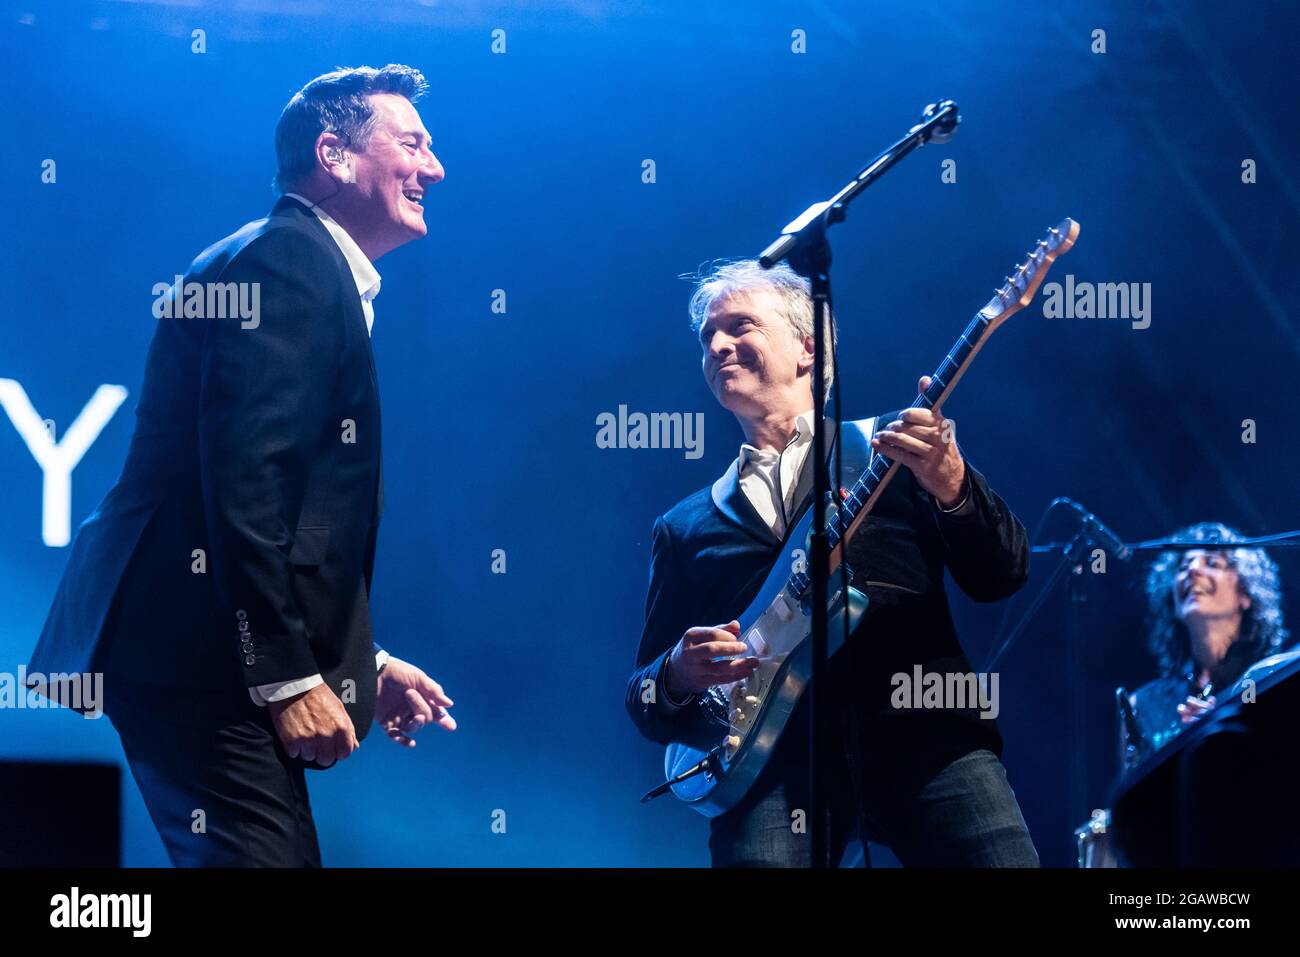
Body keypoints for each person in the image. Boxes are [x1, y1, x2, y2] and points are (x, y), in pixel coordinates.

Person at [28, 64, 455, 866]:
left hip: (197, 647)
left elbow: (295, 513)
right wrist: (289, 676)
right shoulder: (287, 263)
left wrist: (365, 661)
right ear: (333, 153)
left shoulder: (292, 260)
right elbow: (245, 482)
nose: (434, 167)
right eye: (412, 144)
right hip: (194, 651)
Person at [625, 260, 1039, 867]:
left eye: (740, 326)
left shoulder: (895, 450)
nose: (717, 344)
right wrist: (679, 674)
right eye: (707, 337)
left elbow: (1003, 574)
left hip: (925, 734)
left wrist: (953, 485)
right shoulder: (685, 524)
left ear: (806, 348)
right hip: (767, 766)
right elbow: (642, 694)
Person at [1119, 521, 1291, 767]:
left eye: (1211, 563)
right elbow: (1132, 799)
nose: (1192, 571)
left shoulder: (1274, 681)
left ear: (1246, 594)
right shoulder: (1144, 705)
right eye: (1183, 566)